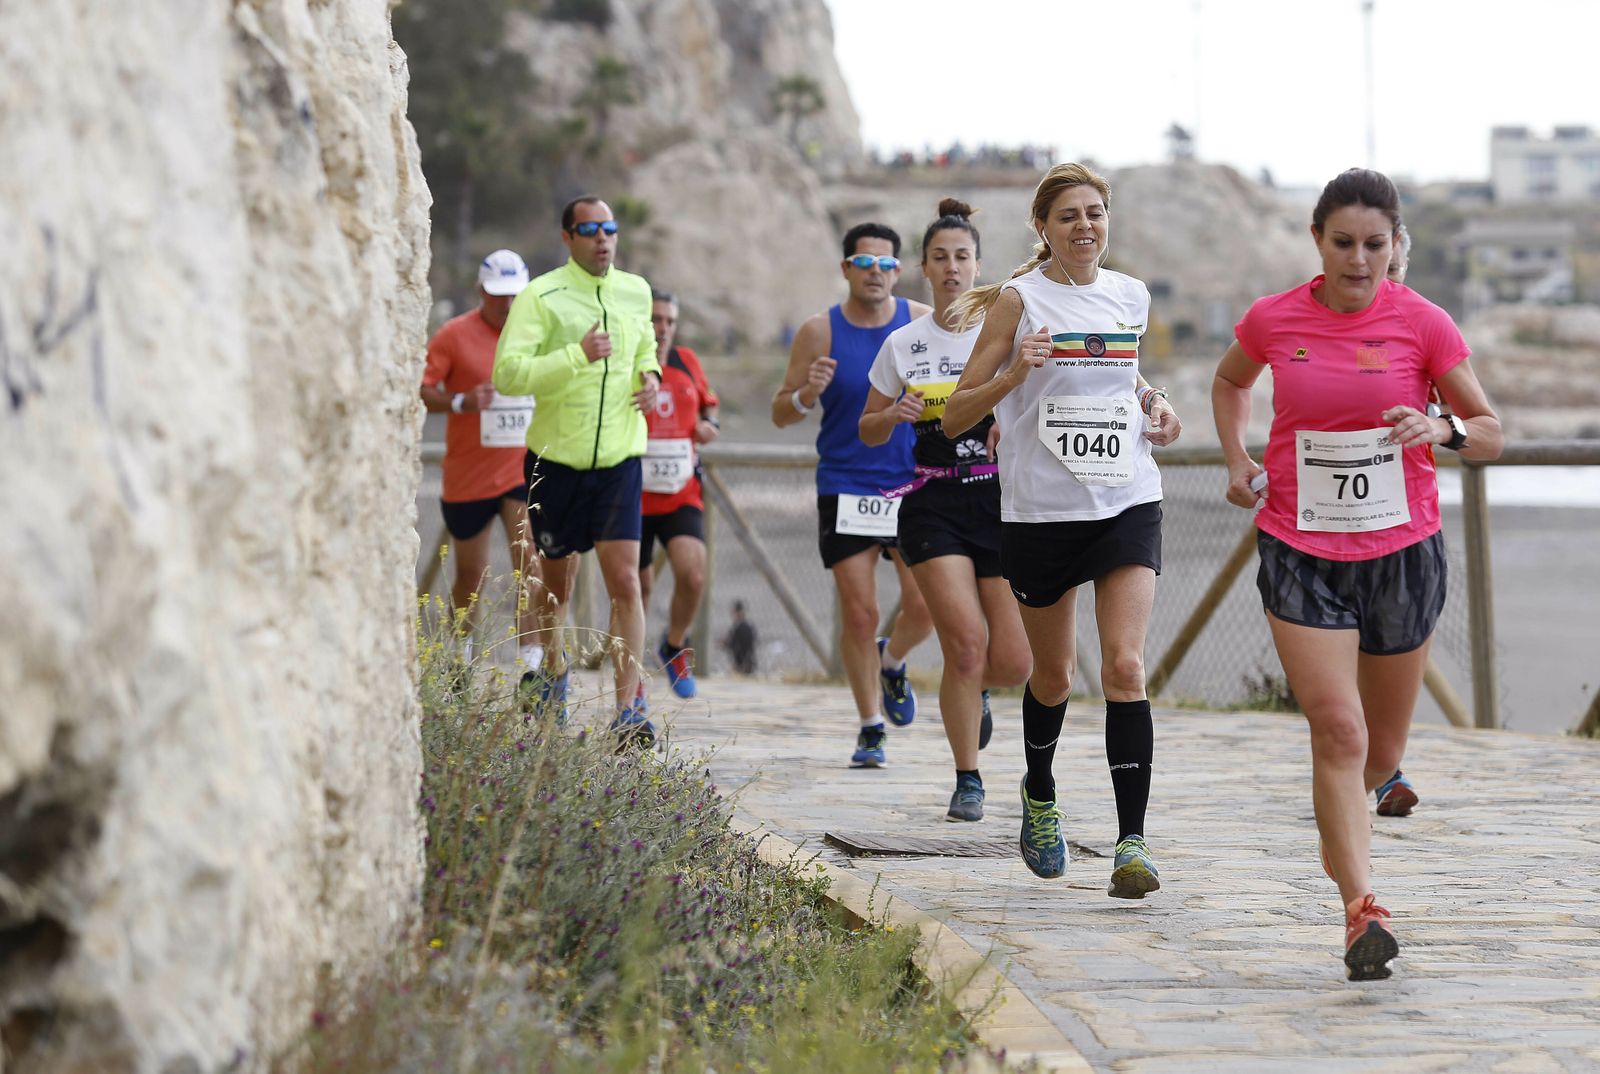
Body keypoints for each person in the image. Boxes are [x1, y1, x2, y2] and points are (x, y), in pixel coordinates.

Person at [1210, 167, 1503, 980]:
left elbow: (1489, 432)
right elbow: (1231, 381)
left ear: (1394, 245)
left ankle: (1376, 788)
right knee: (1337, 730)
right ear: (1317, 241)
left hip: (1402, 553)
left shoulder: (1425, 324)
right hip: (1300, 547)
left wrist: (1438, 426)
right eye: (1343, 243)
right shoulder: (1276, 319)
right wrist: (1238, 461)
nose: (1358, 260)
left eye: (1375, 245)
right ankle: (1359, 909)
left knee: (1378, 749)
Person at [943, 163, 1181, 897]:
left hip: (1126, 498)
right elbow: (955, 415)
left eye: (1096, 212)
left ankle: (1131, 845)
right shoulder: (1019, 300)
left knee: (1124, 667)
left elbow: (1122, 378)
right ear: (1042, 228)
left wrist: (1157, 407)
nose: (1086, 226)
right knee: (1052, 676)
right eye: (1070, 215)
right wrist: (1014, 373)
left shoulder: (1130, 295)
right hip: (1043, 513)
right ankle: (1039, 794)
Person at [859, 199, 1031, 822]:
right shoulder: (903, 344)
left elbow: (1033, 405)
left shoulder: (1004, 338)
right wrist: (892, 414)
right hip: (933, 505)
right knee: (964, 644)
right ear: (923, 270)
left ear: (980, 265)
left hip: (999, 500)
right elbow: (868, 429)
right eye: (940, 258)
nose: (952, 268)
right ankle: (968, 778)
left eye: (963, 257)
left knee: (1013, 661)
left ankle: (974, 689)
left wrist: (1008, 425)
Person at [493, 196, 662, 745]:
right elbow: (509, 374)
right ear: (568, 237)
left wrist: (651, 374)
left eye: (610, 228)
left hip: (619, 459)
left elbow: (646, 347)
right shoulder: (541, 296)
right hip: (555, 462)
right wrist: (576, 356)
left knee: (626, 584)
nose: (603, 238)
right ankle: (555, 672)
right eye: (589, 229)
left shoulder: (635, 290)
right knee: (554, 589)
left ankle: (627, 709)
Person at [771, 222, 935, 769]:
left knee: (926, 605)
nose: (876, 274)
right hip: (845, 481)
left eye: (887, 265)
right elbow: (779, 412)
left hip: (912, 480)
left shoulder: (918, 322)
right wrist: (805, 394)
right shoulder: (820, 332)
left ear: (898, 271)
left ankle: (893, 660)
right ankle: (870, 726)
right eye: (865, 263)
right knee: (860, 613)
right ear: (846, 268)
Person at [419, 249, 541, 675]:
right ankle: (458, 664)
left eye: (514, 296)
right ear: (480, 291)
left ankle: (532, 672)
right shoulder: (453, 335)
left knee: (531, 569)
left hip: (522, 471)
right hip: (469, 475)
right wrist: (462, 401)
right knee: (474, 577)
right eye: (497, 295)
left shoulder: (537, 334)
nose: (506, 305)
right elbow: (423, 389)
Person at [638, 290, 720, 699]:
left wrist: (710, 427)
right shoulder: (630, 362)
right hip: (632, 494)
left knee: (693, 574)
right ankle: (630, 681)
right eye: (655, 319)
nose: (663, 328)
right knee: (637, 591)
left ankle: (673, 646)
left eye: (669, 321)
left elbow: (709, 409)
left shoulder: (687, 361)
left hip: (680, 490)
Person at [720, 600, 758, 675]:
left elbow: (732, 644)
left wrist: (725, 643)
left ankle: (739, 668)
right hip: (749, 662)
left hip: (742, 663)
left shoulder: (739, 628)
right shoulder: (748, 626)